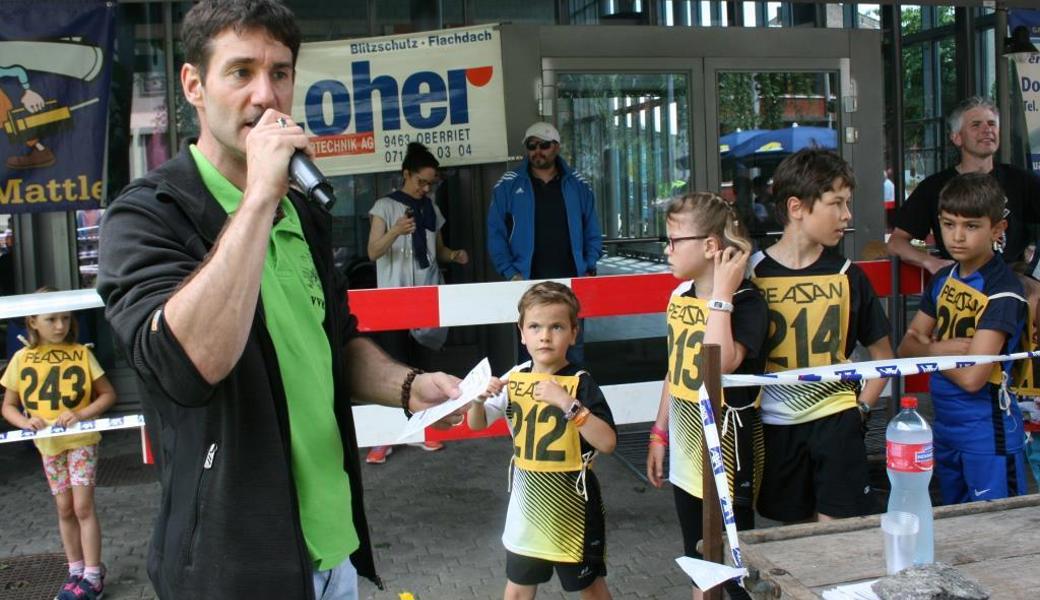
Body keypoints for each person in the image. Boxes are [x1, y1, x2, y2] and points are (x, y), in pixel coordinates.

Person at [95, 2, 462, 598]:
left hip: (331, 549)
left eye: (281, 73)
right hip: (232, 566)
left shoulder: (303, 212)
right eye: (240, 72)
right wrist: (259, 199)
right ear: (194, 85)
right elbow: (188, 368)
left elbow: (333, 342)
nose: (266, 95)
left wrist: (409, 387)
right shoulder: (146, 215)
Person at [750, 149, 894, 523]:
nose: (847, 216)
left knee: (839, 530)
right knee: (794, 535)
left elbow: (884, 354)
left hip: (837, 419)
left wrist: (860, 408)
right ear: (796, 207)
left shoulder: (849, 275)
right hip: (775, 424)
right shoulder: (751, 274)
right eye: (836, 204)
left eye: (848, 204)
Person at [645, 193, 767, 600]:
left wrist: (722, 296)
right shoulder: (679, 296)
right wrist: (659, 433)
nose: (667, 249)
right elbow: (674, 368)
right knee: (698, 561)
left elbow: (724, 362)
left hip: (727, 452)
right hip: (685, 447)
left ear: (710, 246)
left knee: (733, 573)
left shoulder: (746, 300)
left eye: (675, 240)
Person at [467, 281, 616, 600]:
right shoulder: (515, 377)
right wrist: (477, 400)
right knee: (518, 588)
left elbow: (607, 442)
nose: (545, 336)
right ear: (521, 332)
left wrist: (567, 404)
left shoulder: (579, 382)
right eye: (535, 326)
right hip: (526, 505)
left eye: (557, 326)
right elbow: (476, 423)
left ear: (574, 333)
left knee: (588, 588)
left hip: (574, 505)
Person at [898, 173, 1029, 504]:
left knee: (997, 536)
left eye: (971, 226)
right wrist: (944, 348)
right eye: (948, 223)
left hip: (989, 436)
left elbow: (973, 378)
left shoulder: (1003, 290)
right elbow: (905, 347)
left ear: (998, 230)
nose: (956, 236)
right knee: (954, 532)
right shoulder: (944, 277)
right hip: (945, 428)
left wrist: (927, 351)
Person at [1, 299, 116, 600]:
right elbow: (8, 406)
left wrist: (81, 414)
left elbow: (107, 394)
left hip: (80, 442)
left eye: (65, 318)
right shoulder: (21, 359)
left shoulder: (81, 353)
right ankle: (75, 569)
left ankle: (93, 576)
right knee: (64, 509)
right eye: (51, 319)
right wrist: (25, 422)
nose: (60, 326)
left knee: (82, 507)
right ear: (32, 322)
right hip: (48, 446)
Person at [365, 142, 469, 463]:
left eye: (430, 183)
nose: (425, 188)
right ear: (405, 174)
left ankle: (422, 430)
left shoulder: (431, 210)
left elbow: (437, 251)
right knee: (393, 365)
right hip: (394, 297)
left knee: (423, 366)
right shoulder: (384, 206)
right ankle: (385, 437)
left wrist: (453, 255)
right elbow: (373, 252)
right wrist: (396, 230)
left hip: (426, 294)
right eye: (420, 181)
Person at [487, 122, 602, 364]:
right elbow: (495, 233)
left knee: (573, 348)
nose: (537, 151)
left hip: (572, 281)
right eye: (532, 146)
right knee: (531, 352)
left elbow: (592, 229)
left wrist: (589, 266)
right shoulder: (508, 184)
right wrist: (510, 273)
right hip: (527, 283)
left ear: (557, 147)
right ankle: (532, 401)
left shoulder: (578, 184)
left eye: (544, 145)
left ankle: (574, 400)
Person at [887, 96, 1040, 272]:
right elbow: (896, 242)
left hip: (1014, 280)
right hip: (962, 282)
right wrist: (931, 262)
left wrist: (1034, 272)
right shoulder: (934, 187)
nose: (987, 130)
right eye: (976, 125)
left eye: (991, 124)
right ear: (957, 137)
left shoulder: (1020, 180)